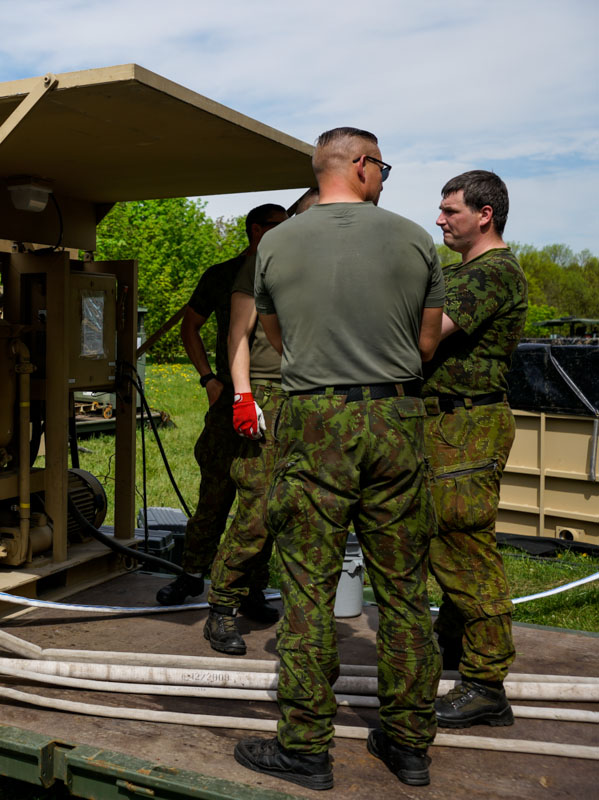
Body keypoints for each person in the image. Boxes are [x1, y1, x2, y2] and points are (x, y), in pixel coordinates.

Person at [232, 127, 444, 791]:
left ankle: (305, 748)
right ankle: (409, 745)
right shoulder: (414, 238)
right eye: (380, 165)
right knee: (404, 590)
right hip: (394, 417)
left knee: (306, 589)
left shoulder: (275, 244)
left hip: (311, 418)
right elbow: (426, 342)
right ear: (356, 164)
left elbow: (275, 335)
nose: (384, 175)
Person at [424, 170, 527, 728]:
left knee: (465, 549)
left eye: (451, 210)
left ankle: (486, 685)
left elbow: (429, 332)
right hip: (450, 425)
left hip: (465, 427)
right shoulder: (466, 271)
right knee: (447, 543)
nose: (440, 219)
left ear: (484, 214)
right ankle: (456, 651)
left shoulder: (491, 274)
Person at [157, 204, 288, 614]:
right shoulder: (222, 274)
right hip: (229, 398)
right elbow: (189, 326)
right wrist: (208, 379)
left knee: (260, 498)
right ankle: (191, 575)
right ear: (255, 230)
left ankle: (250, 588)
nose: (286, 234)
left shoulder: (291, 273)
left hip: (273, 399)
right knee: (213, 494)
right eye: (276, 227)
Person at [202, 198, 305, 655]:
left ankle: (265, 595)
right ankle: (222, 604)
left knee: (302, 513)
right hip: (268, 394)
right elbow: (235, 334)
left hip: (317, 399)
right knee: (256, 506)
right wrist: (239, 393)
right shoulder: (260, 264)